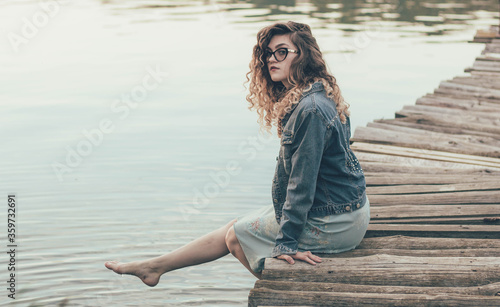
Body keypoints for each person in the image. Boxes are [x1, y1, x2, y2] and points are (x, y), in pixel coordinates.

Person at [104, 21, 370, 284]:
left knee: (235, 237)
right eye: (267, 53)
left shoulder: (310, 109)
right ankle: (154, 267)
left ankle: (286, 292)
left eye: (281, 52)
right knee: (236, 226)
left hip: (335, 222)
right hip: (343, 208)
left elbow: (302, 185)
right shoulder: (319, 92)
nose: (270, 59)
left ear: (303, 56)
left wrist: (287, 243)